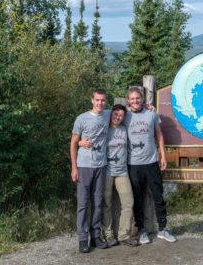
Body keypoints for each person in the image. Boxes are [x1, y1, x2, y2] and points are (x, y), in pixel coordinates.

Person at [80, 104, 139, 247]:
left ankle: (123, 235)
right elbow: (87, 137)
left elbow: (136, 111)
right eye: (115, 114)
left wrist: (149, 107)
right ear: (110, 114)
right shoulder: (104, 129)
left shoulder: (124, 130)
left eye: (121, 116)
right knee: (106, 204)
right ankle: (108, 235)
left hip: (122, 172)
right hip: (106, 171)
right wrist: (80, 143)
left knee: (128, 203)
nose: (117, 118)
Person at [125, 86, 177, 244]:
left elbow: (159, 134)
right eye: (132, 99)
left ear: (142, 99)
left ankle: (163, 229)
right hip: (133, 164)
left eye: (138, 98)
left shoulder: (151, 113)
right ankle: (141, 230)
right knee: (137, 198)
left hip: (152, 161)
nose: (135, 101)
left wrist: (162, 155)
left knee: (158, 196)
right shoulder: (124, 116)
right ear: (128, 100)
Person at [70, 89, 110, 253]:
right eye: (97, 100)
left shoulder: (108, 114)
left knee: (98, 203)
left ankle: (95, 236)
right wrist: (74, 167)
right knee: (82, 204)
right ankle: (82, 239)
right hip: (84, 165)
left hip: (101, 165)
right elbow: (73, 143)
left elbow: (128, 110)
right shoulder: (81, 118)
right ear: (92, 100)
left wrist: (149, 108)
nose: (100, 103)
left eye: (103, 100)